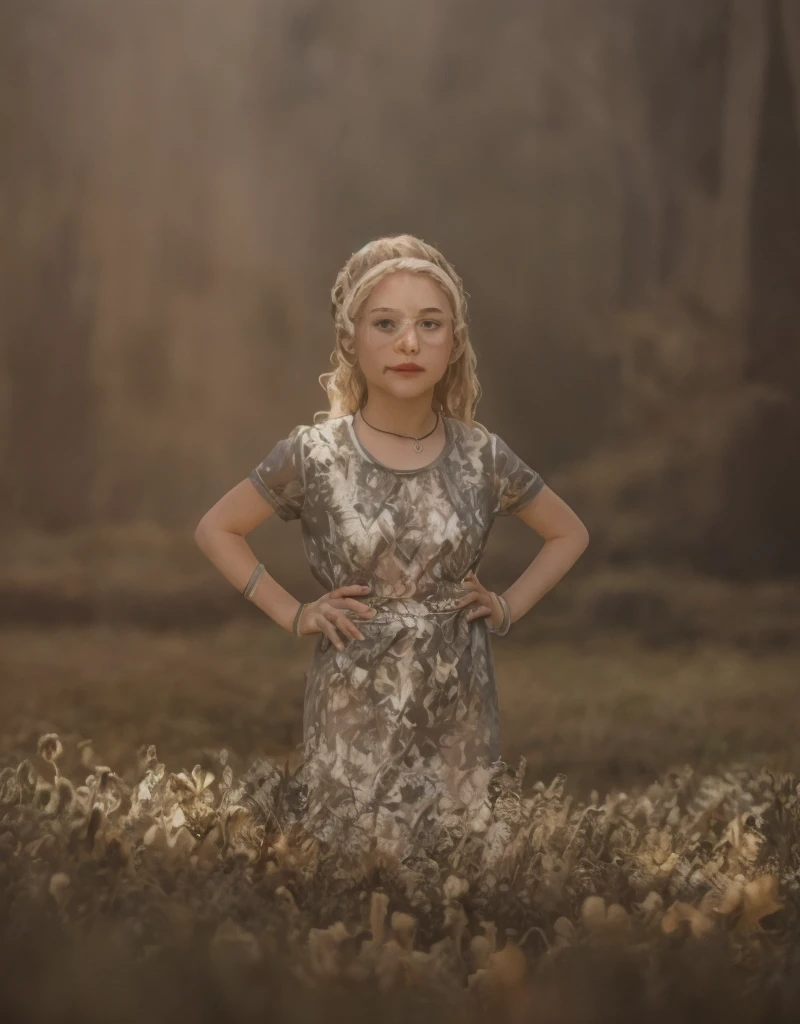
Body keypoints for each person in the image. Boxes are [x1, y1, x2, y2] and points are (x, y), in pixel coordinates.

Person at [194, 234, 589, 861]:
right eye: (387, 323)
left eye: (430, 324)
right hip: (352, 702)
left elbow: (569, 533)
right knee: (352, 872)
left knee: (458, 873)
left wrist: (507, 607)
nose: (409, 343)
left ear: (454, 343)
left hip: (458, 700)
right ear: (351, 340)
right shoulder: (315, 455)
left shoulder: (481, 456)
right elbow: (217, 528)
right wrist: (294, 612)